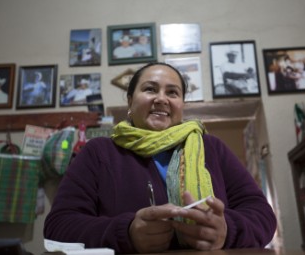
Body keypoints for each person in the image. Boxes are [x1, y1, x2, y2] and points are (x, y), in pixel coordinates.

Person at [43, 62, 277, 254]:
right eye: (150, 89)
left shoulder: (212, 148)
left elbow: (262, 215)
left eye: (172, 92)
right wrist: (127, 233)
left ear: (181, 104)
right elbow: (58, 226)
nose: (162, 99)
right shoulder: (98, 153)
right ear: (130, 101)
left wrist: (227, 229)